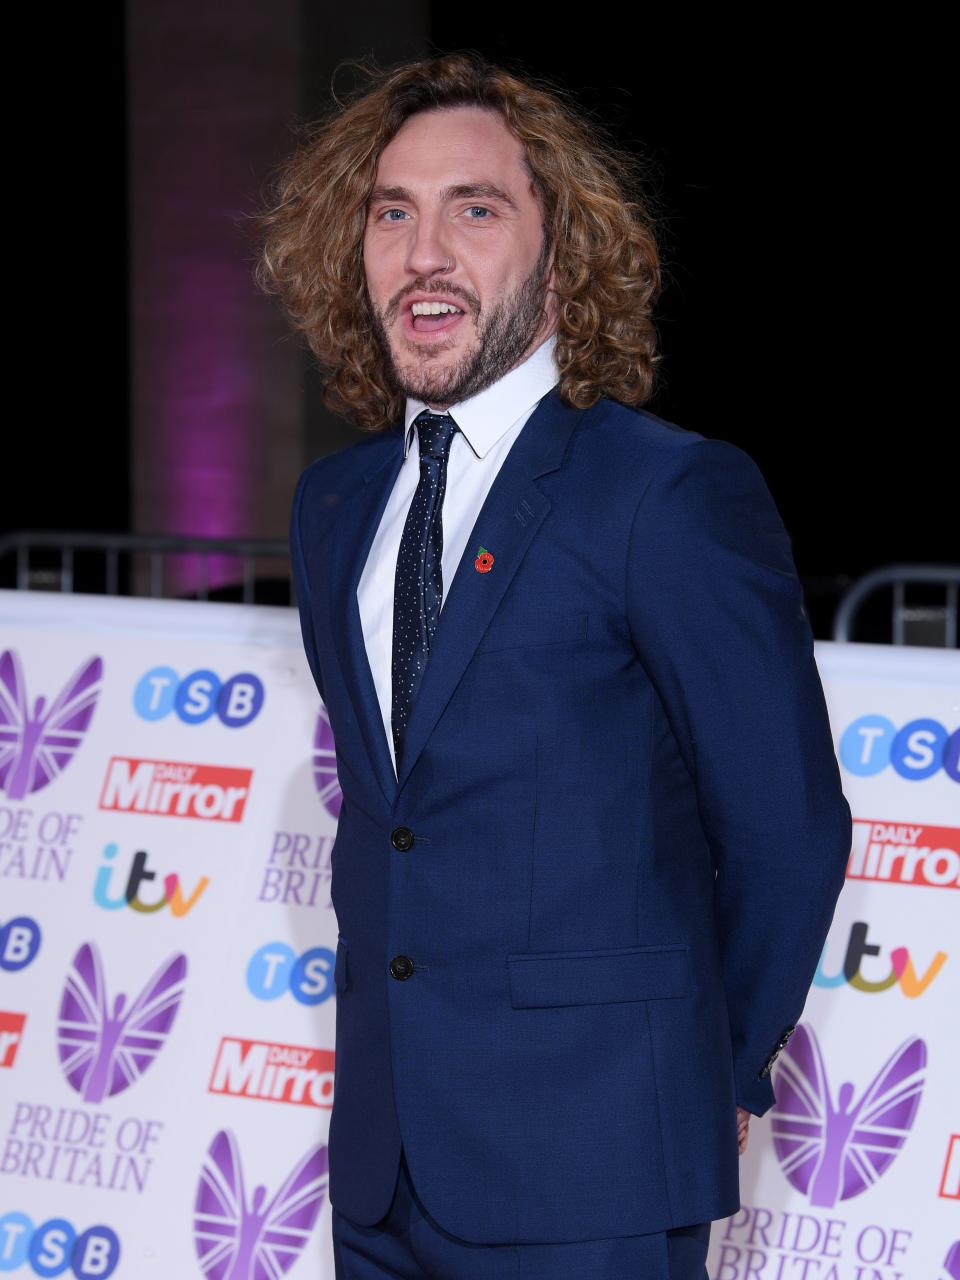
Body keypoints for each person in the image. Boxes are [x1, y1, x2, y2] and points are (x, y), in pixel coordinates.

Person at [258, 51, 852, 1280]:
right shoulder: (333, 506)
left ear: (561, 253)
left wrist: (711, 1069)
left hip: (593, 1166)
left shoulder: (668, 494)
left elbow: (787, 830)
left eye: (474, 209)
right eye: (391, 213)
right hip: (381, 1167)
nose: (425, 252)